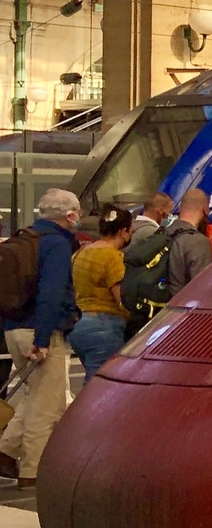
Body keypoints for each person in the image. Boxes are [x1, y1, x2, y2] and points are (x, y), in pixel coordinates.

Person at [0, 188, 82, 488]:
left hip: (14, 328)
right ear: (68, 215)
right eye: (78, 211)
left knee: (34, 397)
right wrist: (44, 338)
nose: (80, 217)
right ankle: (32, 471)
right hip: (40, 330)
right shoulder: (57, 245)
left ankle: (6, 451)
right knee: (48, 406)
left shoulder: (23, 239)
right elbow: (51, 294)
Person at [70, 205, 134, 382]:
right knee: (101, 385)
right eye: (131, 230)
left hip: (80, 324)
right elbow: (121, 297)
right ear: (123, 231)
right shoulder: (113, 257)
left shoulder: (81, 252)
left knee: (92, 380)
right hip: (105, 325)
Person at [164, 187, 212, 298]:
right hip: (180, 309)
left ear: (181, 207)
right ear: (206, 209)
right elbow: (202, 289)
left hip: (155, 309)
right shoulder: (198, 242)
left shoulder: (162, 233)